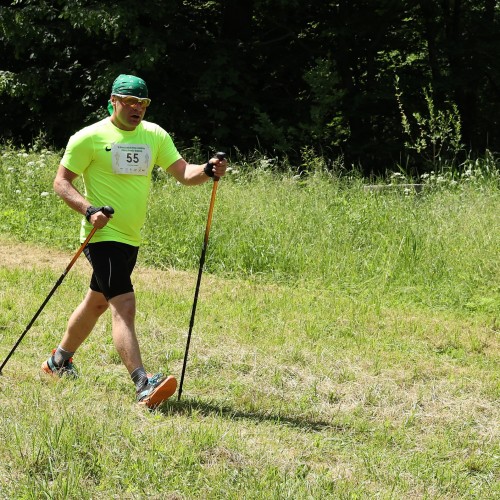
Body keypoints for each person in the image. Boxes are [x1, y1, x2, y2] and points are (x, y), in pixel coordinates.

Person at [41, 74, 227, 408]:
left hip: (130, 238)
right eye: (129, 102)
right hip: (103, 235)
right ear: (113, 101)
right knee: (123, 305)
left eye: (142, 103)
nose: (136, 108)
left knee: (97, 302)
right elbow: (61, 181)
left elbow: (185, 174)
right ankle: (143, 384)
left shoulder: (154, 135)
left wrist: (209, 170)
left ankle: (58, 362)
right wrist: (88, 209)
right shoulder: (90, 137)